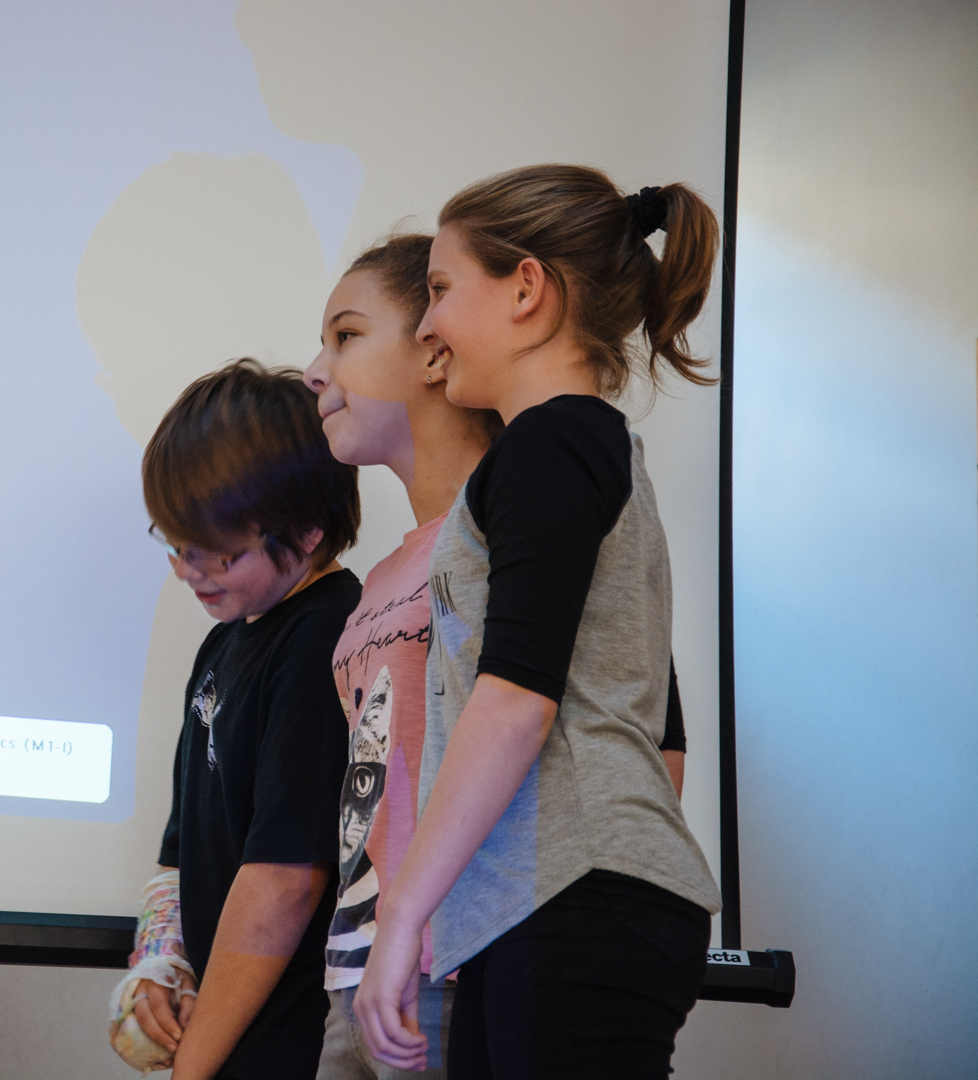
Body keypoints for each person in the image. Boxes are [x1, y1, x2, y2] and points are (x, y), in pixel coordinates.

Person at [352, 166, 722, 1080]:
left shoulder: (551, 442)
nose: (428, 326)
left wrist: (400, 915)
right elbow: (662, 734)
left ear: (527, 289)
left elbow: (517, 702)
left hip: (571, 899)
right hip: (567, 899)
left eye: (442, 289)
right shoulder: (584, 448)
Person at [123, 359, 364, 1080]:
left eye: (217, 553)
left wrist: (193, 1068)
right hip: (227, 1034)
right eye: (175, 544)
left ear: (308, 531)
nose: (188, 570)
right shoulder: (223, 643)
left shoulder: (326, 639)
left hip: (291, 1043)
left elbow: (285, 882)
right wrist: (159, 962)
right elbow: (179, 852)